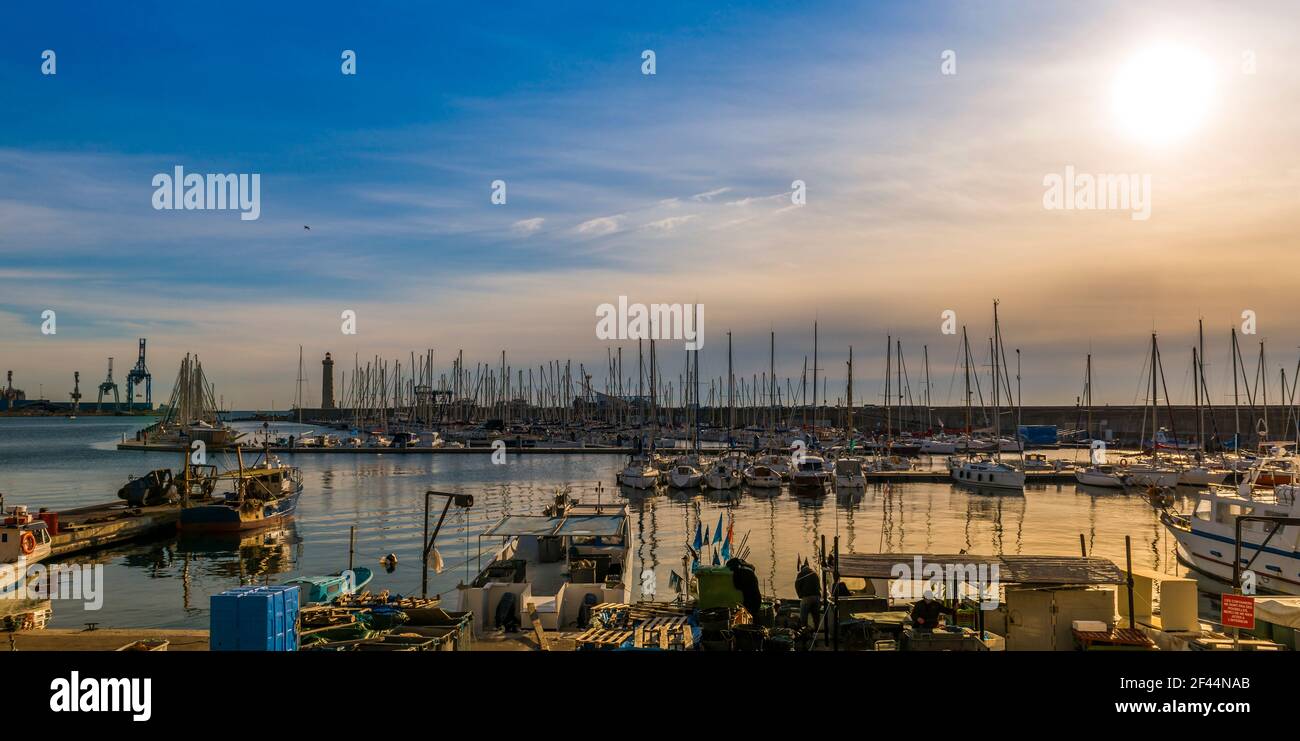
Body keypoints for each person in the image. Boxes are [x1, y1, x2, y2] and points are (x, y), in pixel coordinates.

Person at [794, 562, 821, 629]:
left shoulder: (801, 574)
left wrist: (800, 595)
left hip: (807, 597)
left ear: (802, 569)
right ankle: (816, 630)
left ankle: (804, 631)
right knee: (816, 616)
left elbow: (797, 585)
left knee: (803, 617)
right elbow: (819, 586)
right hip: (817, 597)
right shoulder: (815, 573)